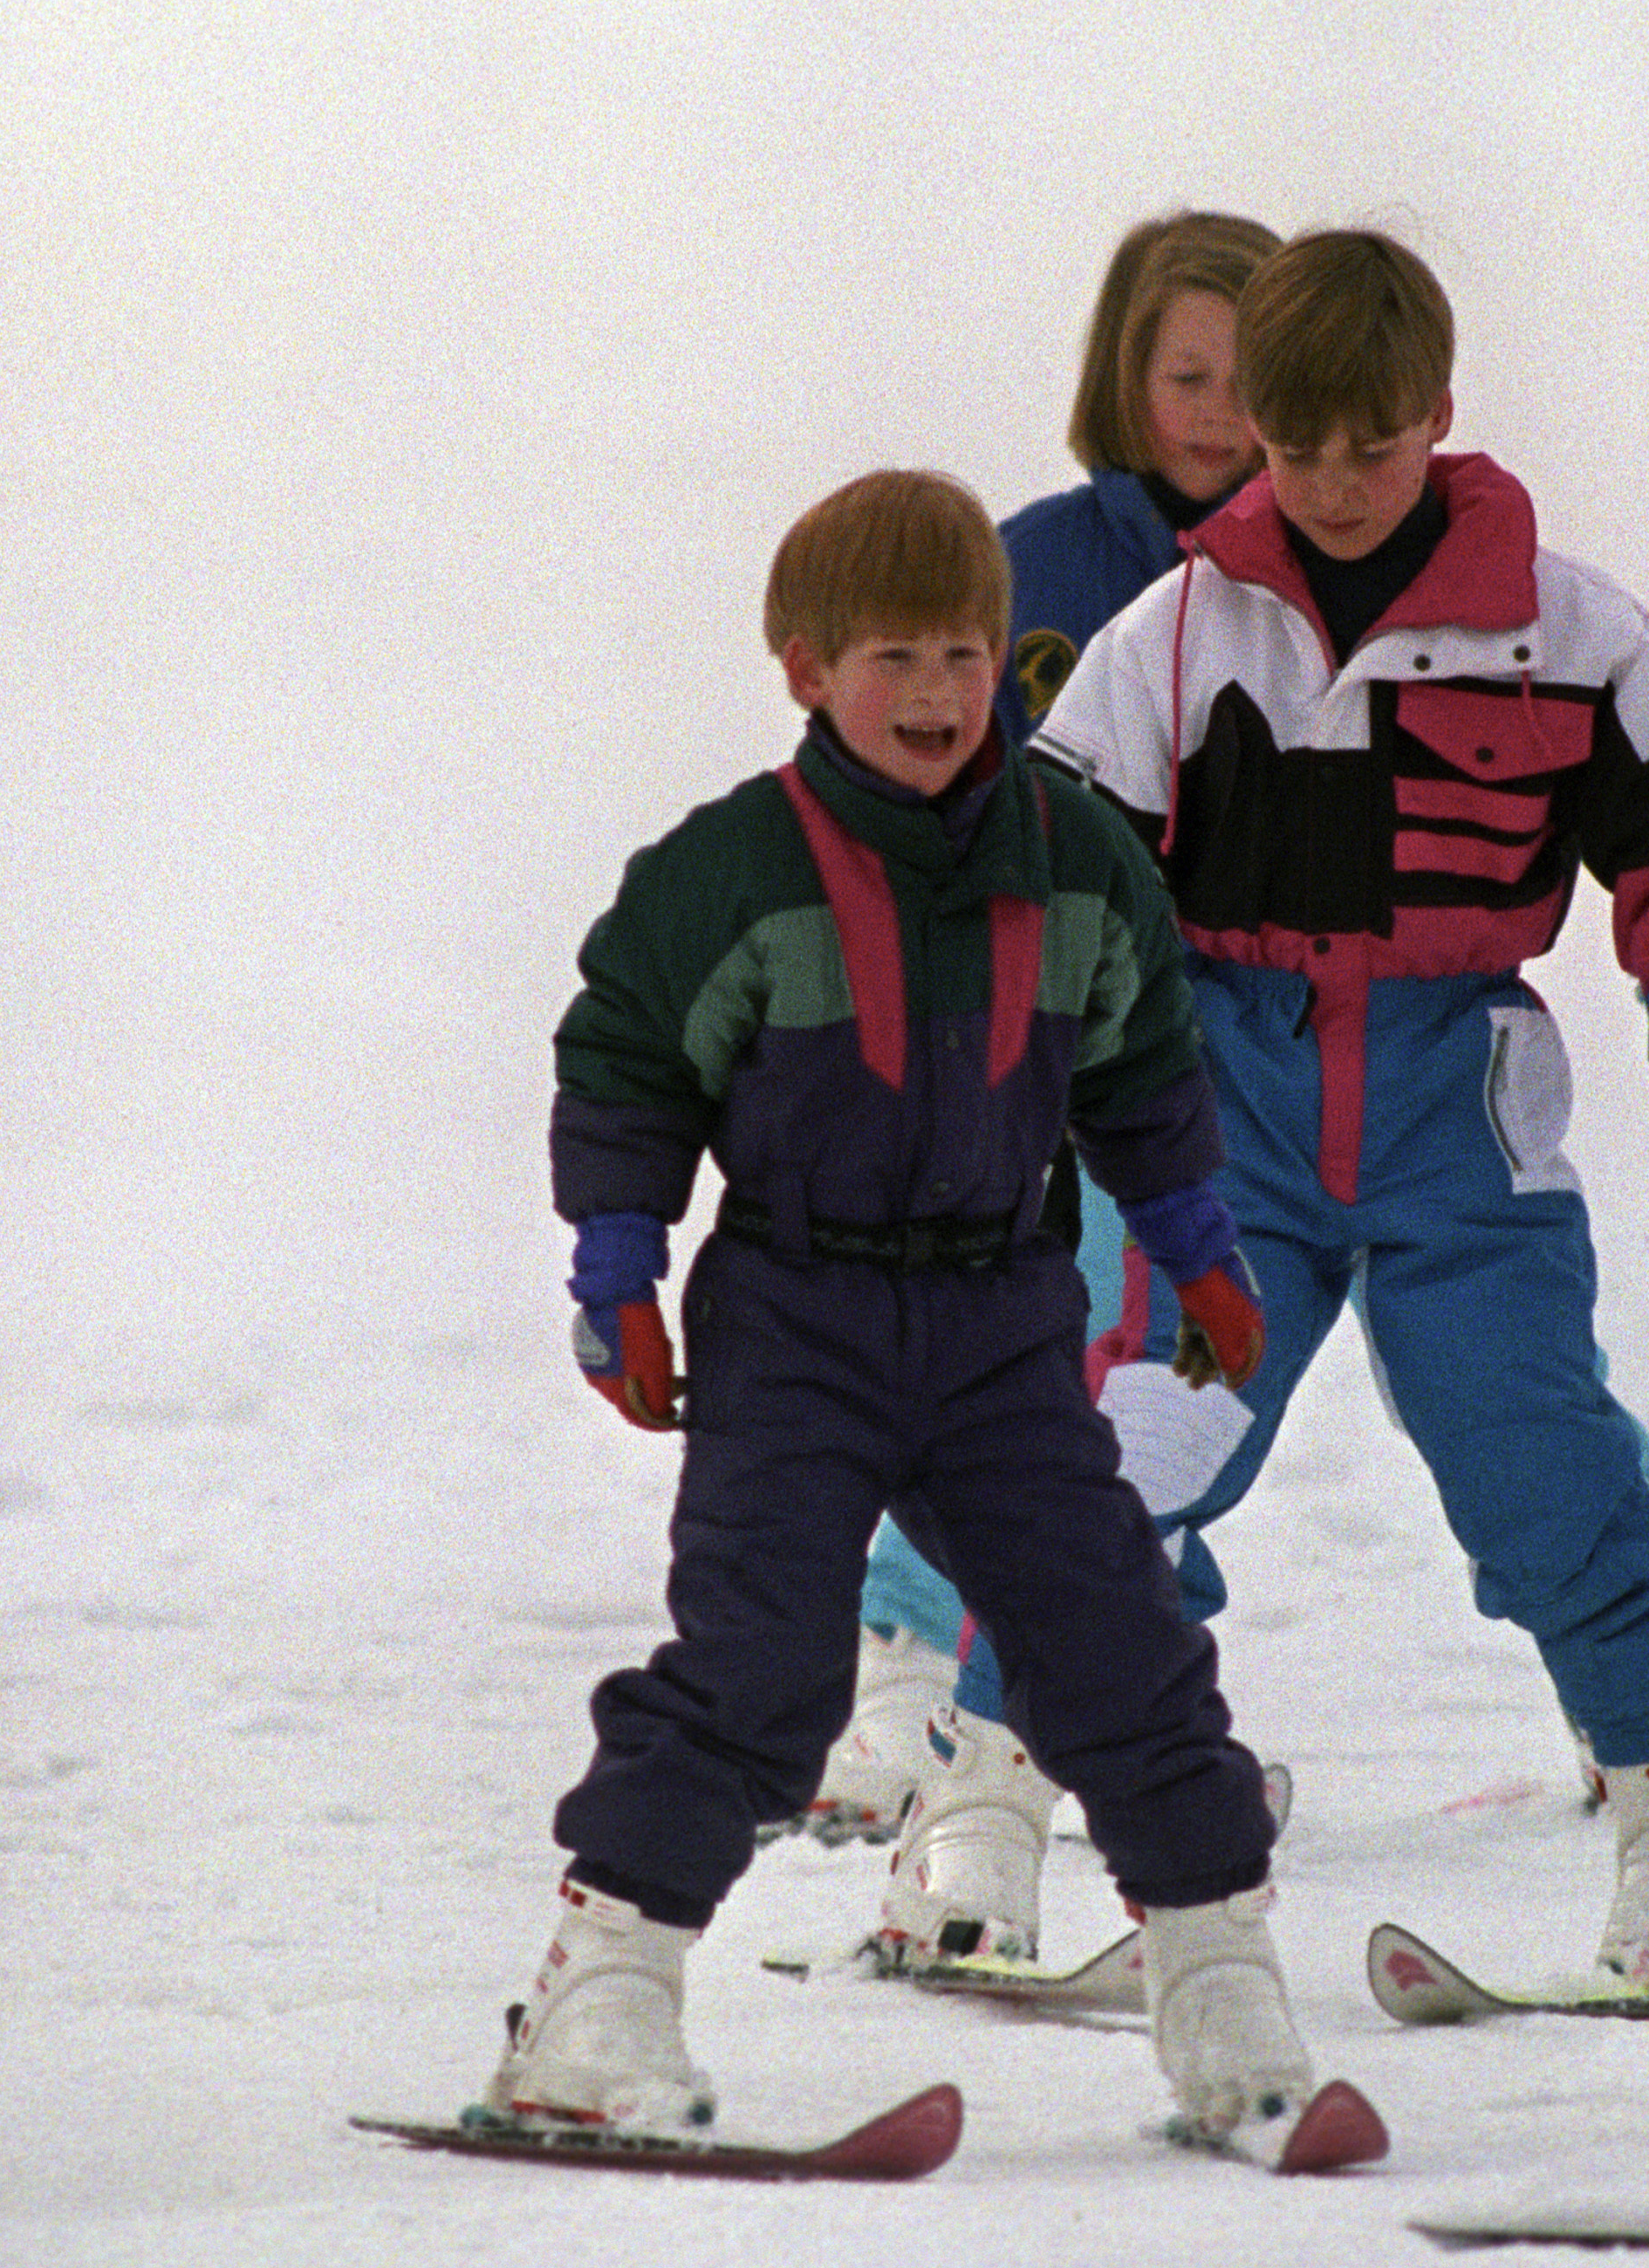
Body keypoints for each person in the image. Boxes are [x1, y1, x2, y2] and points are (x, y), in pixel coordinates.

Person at [1002, 227, 1649, 1996]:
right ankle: (978, 1826)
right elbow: (1049, 871)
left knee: (1542, 1474)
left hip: (1460, 1126)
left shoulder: (1569, 631)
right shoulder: (1175, 634)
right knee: (1110, 1457)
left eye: (1370, 445)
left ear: (1435, 415)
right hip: (1225, 1131)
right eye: (1296, 448)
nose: (1333, 482)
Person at [486, 469, 1316, 2145]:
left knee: (1115, 1643)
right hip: (794, 1319)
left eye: (964, 655)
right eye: (893, 660)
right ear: (806, 669)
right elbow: (627, 1067)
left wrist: (1201, 1251)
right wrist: (615, 1271)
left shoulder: (1080, 861)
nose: (936, 695)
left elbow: (1145, 1070)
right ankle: (596, 2008)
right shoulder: (728, 874)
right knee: (760, 1669)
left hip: (1006, 1317)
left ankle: (1223, 1994)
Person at [797, 211, 1283, 1847]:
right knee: (1013, 1333)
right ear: (1121, 377)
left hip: (1260, 1064)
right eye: (1185, 374)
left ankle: (1113, 1680)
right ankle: (903, 1664)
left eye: (1249, 377)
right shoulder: (1036, 569)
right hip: (1049, 1044)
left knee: (1173, 1380)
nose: (1218, 414)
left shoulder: (1333, 580)